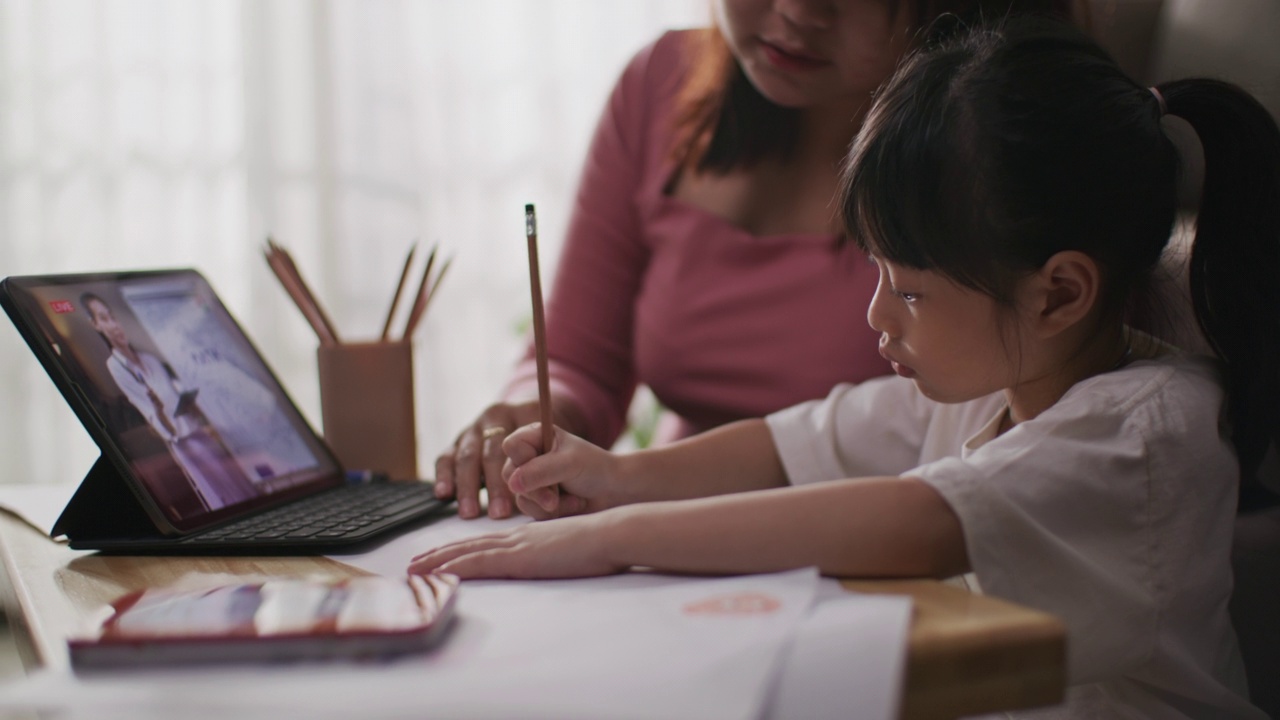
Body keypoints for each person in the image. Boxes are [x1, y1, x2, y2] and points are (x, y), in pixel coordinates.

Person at [411, 17, 1279, 718]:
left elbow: (912, 522)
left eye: (909, 292)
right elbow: (795, 443)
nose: (876, 315)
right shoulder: (987, 389)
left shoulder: (1148, 431)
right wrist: (614, 476)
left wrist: (605, 537)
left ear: (1058, 294)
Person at [436, 0, 1075, 520]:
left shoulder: (1000, 169)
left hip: (869, 565)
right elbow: (579, 358)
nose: (797, 11)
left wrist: (628, 523)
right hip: (658, 539)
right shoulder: (661, 84)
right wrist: (531, 418)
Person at [83, 293, 261, 511]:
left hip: (197, 429)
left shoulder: (149, 360)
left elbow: (174, 391)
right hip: (182, 439)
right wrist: (163, 414)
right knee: (222, 491)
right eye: (104, 318)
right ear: (96, 325)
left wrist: (190, 402)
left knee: (239, 484)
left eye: (113, 317)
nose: (114, 325)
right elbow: (149, 408)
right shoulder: (115, 366)